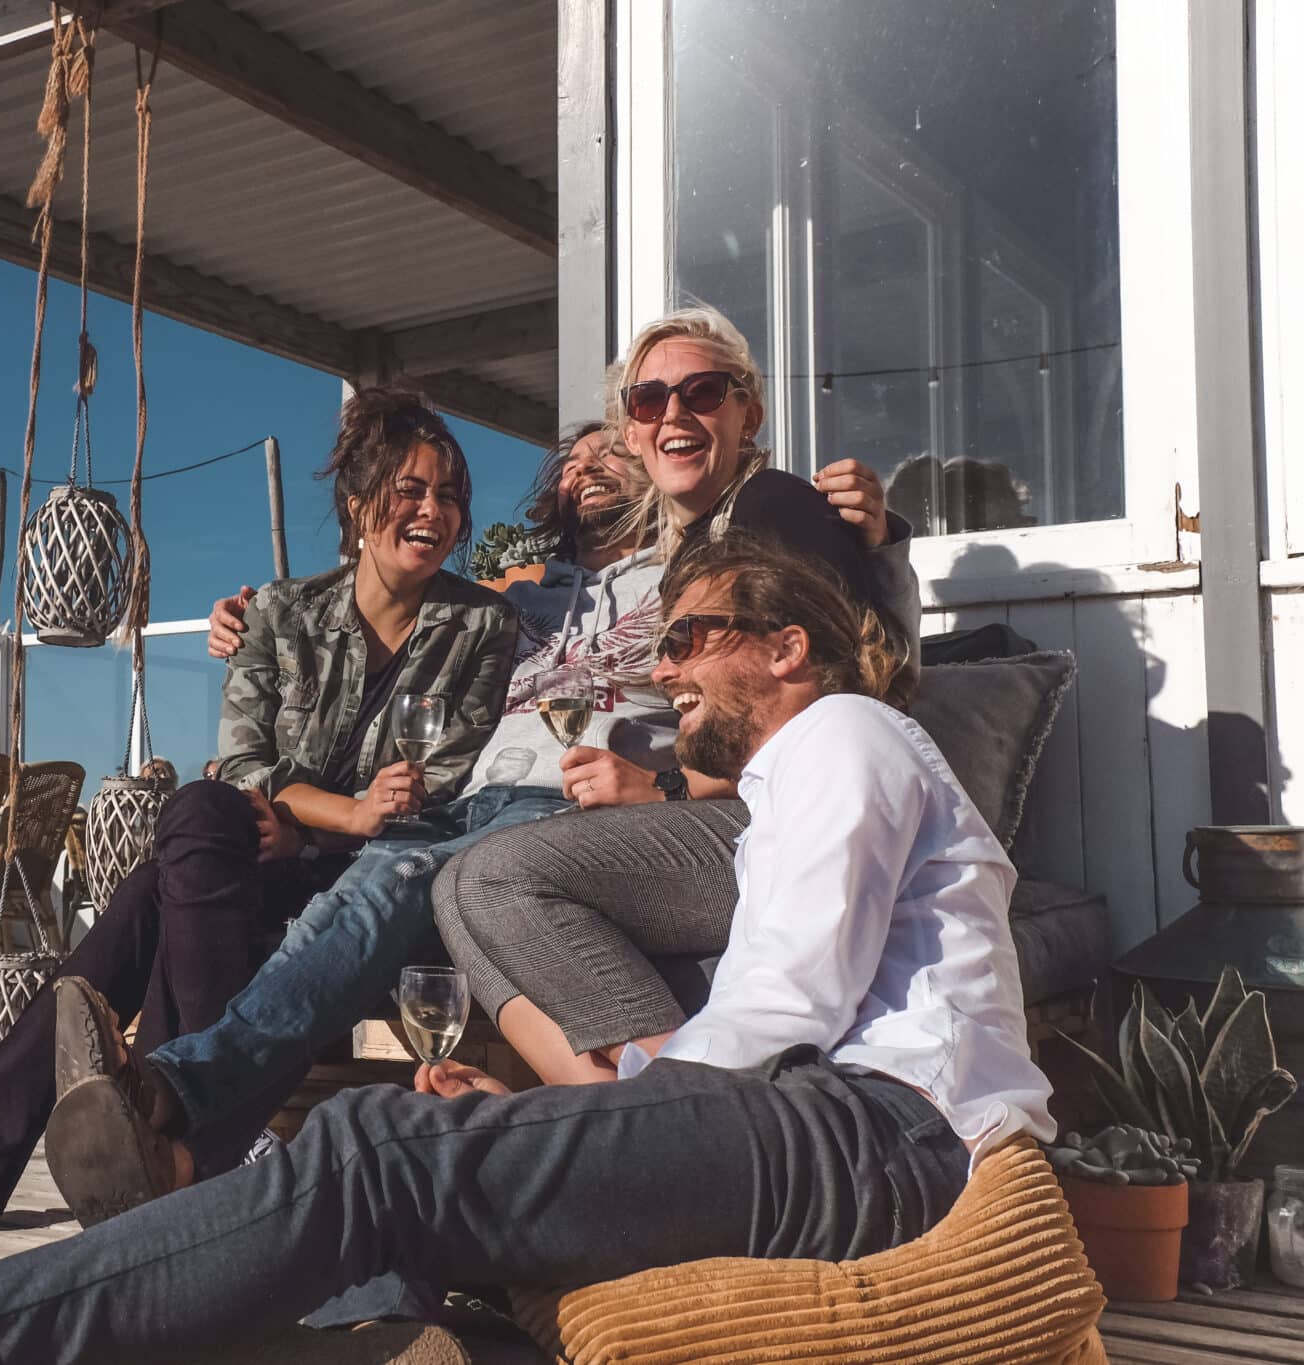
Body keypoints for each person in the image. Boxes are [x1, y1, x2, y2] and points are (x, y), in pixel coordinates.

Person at [0, 534, 1053, 1365]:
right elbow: (770, 1016)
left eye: (692, 638)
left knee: (369, 1152)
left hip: (881, 1139)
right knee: (380, 1185)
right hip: (831, 1130)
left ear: (786, 647)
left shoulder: (841, 734)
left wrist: (596, 1113)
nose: (663, 666)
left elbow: (788, 1003)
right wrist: (569, 1113)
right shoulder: (805, 775)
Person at [52, 304, 919, 1224]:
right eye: (581, 455)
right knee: (293, 872)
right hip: (464, 804)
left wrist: (881, 544)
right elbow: (388, 596)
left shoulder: (696, 567)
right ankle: (173, 1142)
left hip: (559, 810)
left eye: (613, 449)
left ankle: (168, 1094)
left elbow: (841, 663)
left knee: (402, 881)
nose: (590, 467)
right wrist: (253, 616)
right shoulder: (514, 601)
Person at [0, 387, 517, 1242]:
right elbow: (245, 764)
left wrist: (316, 823)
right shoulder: (282, 612)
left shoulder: (481, 625)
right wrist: (333, 810)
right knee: (198, 810)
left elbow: (436, 784)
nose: (432, 511)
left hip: (370, 882)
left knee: (150, 895)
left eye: (448, 495)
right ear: (357, 504)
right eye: (409, 489)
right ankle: (207, 1135)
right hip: (257, 857)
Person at [434, 302, 926, 1084]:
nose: (673, 413)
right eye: (648, 400)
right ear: (631, 432)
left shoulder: (770, 509)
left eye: (701, 392)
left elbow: (835, 702)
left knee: (497, 876)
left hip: (806, 824)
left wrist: (661, 786)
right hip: (761, 810)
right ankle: (610, 1112)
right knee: (458, 891)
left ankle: (686, 1103)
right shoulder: (694, 548)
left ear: (747, 414)